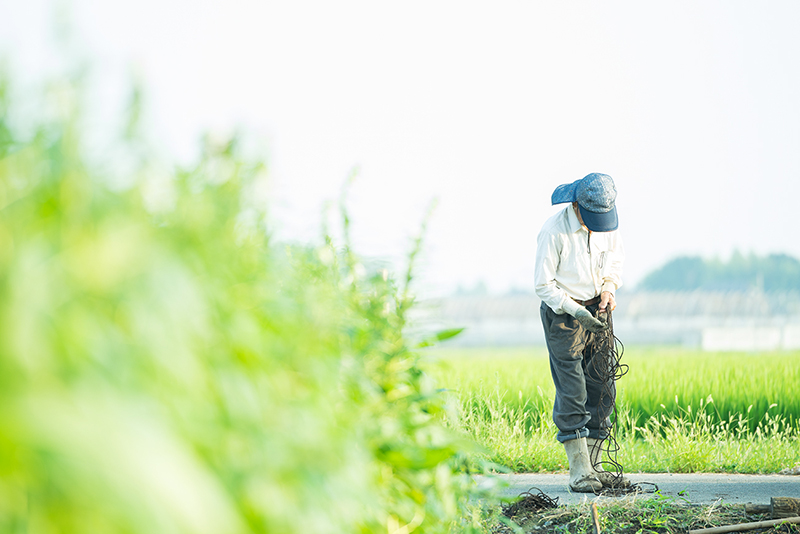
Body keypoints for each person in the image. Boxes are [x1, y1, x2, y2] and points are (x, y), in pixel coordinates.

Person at [534, 172, 628, 492]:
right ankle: (579, 469)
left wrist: (608, 289)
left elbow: (613, 262)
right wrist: (575, 311)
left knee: (603, 386)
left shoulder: (607, 228)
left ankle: (596, 466)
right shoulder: (553, 232)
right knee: (573, 390)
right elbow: (543, 286)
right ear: (576, 206)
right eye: (590, 219)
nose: (595, 225)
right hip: (564, 314)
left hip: (598, 309)